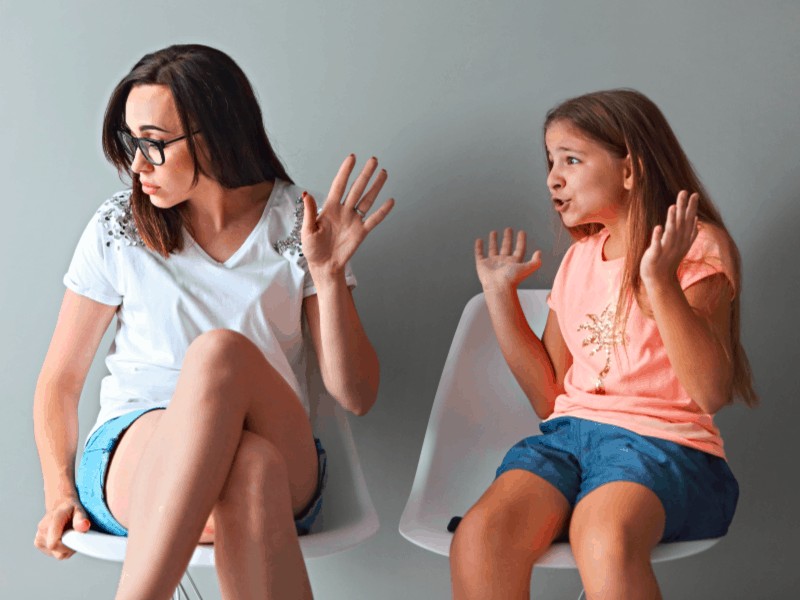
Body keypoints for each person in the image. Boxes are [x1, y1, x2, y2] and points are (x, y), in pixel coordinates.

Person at [32, 43, 393, 600]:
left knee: (220, 354)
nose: (137, 165)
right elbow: (59, 381)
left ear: (213, 134)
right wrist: (59, 491)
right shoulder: (118, 225)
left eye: (153, 144)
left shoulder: (300, 223)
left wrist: (327, 274)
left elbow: (357, 393)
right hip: (140, 446)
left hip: (280, 441)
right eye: (132, 143)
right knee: (247, 468)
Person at [450, 89, 757, 599]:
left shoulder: (697, 247)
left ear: (631, 169)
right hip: (569, 439)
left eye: (571, 159)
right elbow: (550, 400)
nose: (554, 177)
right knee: (480, 537)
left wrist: (658, 280)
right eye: (550, 161)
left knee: (603, 536)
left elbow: (710, 391)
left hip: (667, 447)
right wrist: (499, 296)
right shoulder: (579, 259)